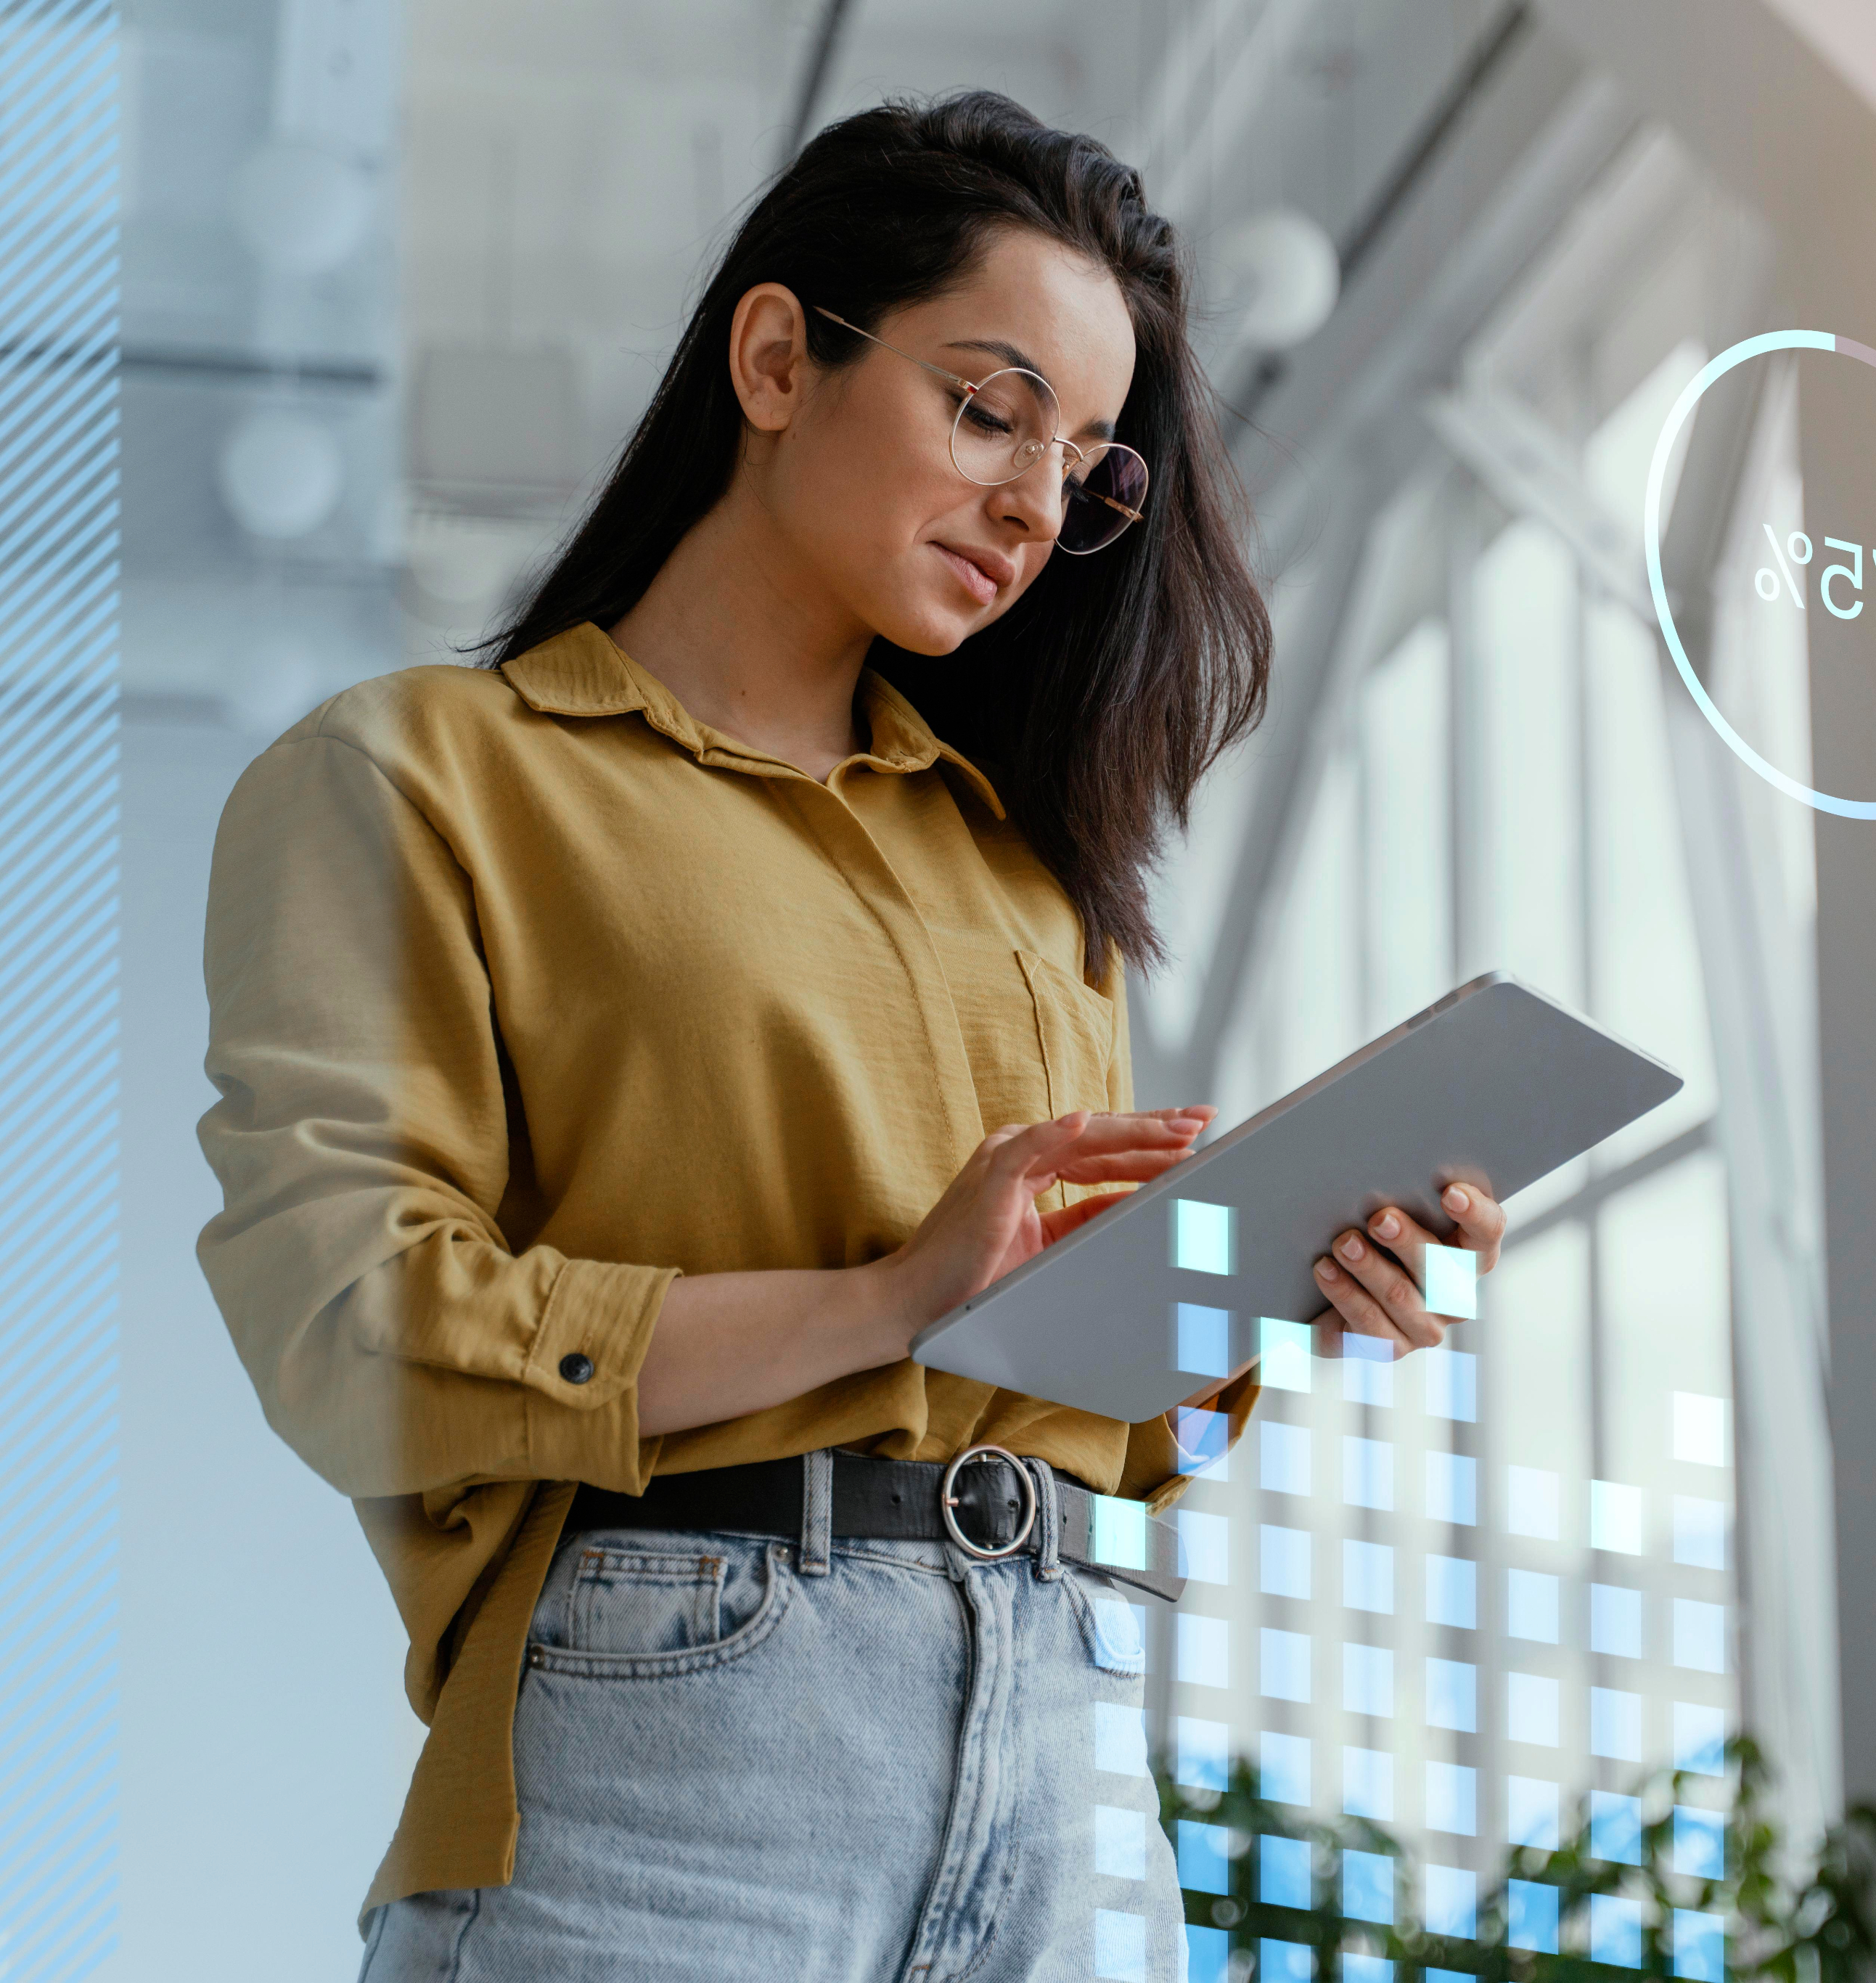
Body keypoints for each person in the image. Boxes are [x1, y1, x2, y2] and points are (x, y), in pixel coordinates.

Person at [195, 91, 1505, 1981]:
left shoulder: (1027, 872)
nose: (1040, 505)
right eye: (988, 410)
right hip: (671, 1762)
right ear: (777, 355)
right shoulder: (418, 781)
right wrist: (883, 1297)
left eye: (1087, 466)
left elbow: (1057, 1384)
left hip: (1069, 1750)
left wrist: (1261, 1278)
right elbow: (349, 1330)